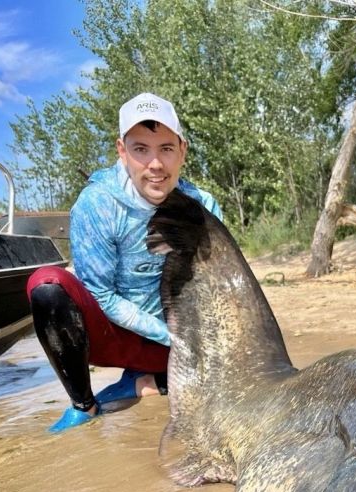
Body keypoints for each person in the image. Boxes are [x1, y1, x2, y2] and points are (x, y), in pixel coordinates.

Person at [27, 92, 221, 432]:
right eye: (141, 149)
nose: (156, 164)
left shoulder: (202, 206)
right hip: (122, 338)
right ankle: (84, 404)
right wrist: (168, 337)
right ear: (122, 151)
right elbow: (100, 296)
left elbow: (218, 290)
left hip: (183, 341)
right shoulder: (97, 204)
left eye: (166, 148)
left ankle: (148, 382)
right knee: (46, 285)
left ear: (182, 151)